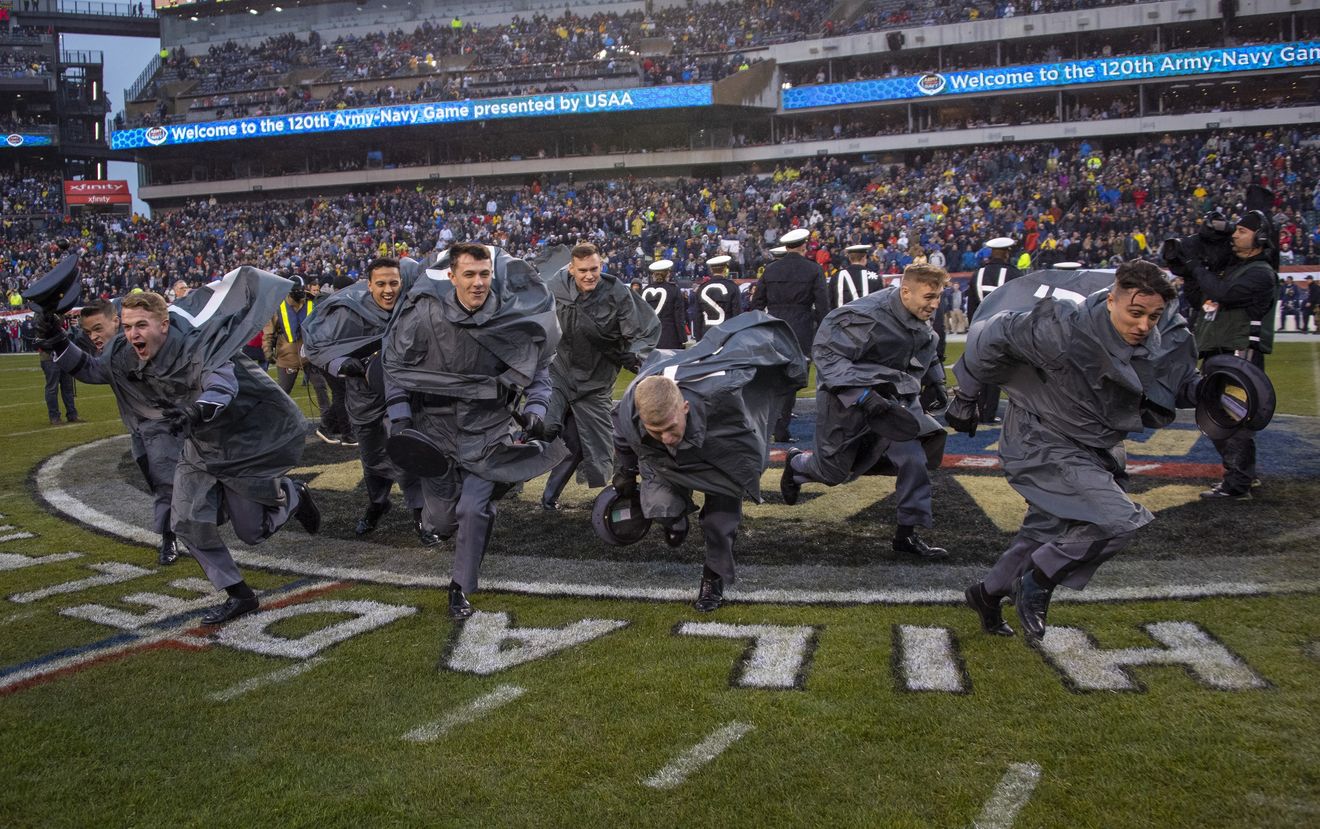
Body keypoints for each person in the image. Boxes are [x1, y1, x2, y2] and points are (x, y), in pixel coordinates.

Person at [41, 272, 321, 625]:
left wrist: (196, 410)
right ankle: (240, 595)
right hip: (200, 442)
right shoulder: (126, 351)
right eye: (127, 326)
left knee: (251, 532)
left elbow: (221, 384)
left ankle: (293, 495)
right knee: (186, 520)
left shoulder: (198, 344)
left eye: (141, 325)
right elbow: (95, 371)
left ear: (164, 323)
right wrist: (58, 343)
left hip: (244, 437)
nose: (132, 335)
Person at [951, 261, 1200, 642]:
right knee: (1116, 520)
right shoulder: (1061, 328)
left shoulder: (1164, 329)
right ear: (1112, 299)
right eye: (1135, 313)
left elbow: (1171, 381)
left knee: (1043, 531)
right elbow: (990, 335)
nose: (1144, 325)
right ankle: (1037, 580)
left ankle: (986, 594)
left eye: (1153, 315)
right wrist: (968, 394)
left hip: (1093, 443)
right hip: (1040, 438)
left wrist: (1206, 392)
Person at [382, 243, 567, 620]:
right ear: (452, 277)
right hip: (435, 434)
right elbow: (395, 369)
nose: (478, 282)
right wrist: (400, 417)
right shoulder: (424, 316)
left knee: (472, 508)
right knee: (441, 522)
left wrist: (534, 409)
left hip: (489, 431)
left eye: (484, 274)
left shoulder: (511, 316)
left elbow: (540, 371)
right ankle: (476, 514)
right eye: (469, 274)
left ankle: (460, 587)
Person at [612, 312, 807, 611]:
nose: (665, 435)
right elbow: (622, 433)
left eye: (669, 427)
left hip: (717, 448)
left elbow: (754, 347)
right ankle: (674, 516)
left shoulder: (724, 399)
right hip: (663, 460)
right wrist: (624, 468)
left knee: (720, 520)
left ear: (685, 408)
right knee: (664, 508)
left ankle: (712, 578)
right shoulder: (631, 408)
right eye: (656, 429)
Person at [781, 263, 952, 559]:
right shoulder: (864, 315)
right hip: (846, 397)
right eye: (929, 297)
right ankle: (797, 464)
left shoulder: (918, 310)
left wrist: (936, 380)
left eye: (938, 297)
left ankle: (906, 535)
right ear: (906, 291)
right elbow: (827, 355)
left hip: (894, 398)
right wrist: (861, 395)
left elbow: (926, 342)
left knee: (914, 460)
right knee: (833, 472)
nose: (935, 304)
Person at [302, 257, 439, 545]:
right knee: (371, 459)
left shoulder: (410, 308)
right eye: (381, 283)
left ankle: (420, 513)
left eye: (393, 283)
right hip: (363, 398)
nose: (388, 290)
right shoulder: (349, 313)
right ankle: (378, 503)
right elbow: (318, 348)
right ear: (369, 284)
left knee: (403, 450)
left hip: (403, 398)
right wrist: (344, 365)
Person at [540, 242, 660, 511]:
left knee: (592, 446)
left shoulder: (616, 291)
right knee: (543, 426)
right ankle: (503, 475)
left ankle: (555, 498)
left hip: (595, 382)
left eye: (594, 269)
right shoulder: (552, 288)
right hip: (558, 372)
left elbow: (645, 328)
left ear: (601, 266)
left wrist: (634, 353)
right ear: (572, 269)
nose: (589, 275)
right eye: (582, 270)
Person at [78, 299, 185, 565]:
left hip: (175, 424)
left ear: (114, 321)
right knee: (159, 482)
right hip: (140, 429)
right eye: (89, 332)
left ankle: (171, 535)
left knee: (181, 482)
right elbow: (92, 368)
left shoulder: (146, 344)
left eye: (98, 329)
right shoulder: (114, 354)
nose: (94, 337)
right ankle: (170, 534)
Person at [1185, 210, 1279, 500]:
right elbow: (1199, 298)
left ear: (1260, 238)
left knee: (1231, 417)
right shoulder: (1234, 268)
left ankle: (1238, 483)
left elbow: (1222, 293)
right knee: (1219, 414)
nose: (1234, 235)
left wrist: (1196, 265)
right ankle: (1242, 476)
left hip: (1239, 352)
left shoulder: (1260, 272)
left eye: (1242, 231)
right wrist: (1192, 270)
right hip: (1221, 348)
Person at [751, 228, 828, 442]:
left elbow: (757, 304)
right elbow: (823, 306)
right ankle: (782, 428)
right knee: (793, 379)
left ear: (786, 247)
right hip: (801, 328)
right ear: (804, 246)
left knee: (773, 377)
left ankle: (767, 425)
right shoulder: (813, 270)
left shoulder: (770, 270)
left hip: (775, 328)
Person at [264, 275, 334, 443]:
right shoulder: (278, 307)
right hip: (287, 356)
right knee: (283, 392)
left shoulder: (311, 301)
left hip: (310, 355)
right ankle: (278, 426)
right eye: (297, 292)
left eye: (302, 291)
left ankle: (328, 424)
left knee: (321, 388)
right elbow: (269, 331)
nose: (300, 295)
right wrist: (268, 352)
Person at [968, 237, 1021, 424]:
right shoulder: (1014, 274)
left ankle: (981, 410)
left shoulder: (978, 274)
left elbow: (972, 306)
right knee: (999, 371)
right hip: (1003, 330)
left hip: (980, 329)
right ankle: (990, 412)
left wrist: (973, 330)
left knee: (981, 371)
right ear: (1007, 253)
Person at [690, 254, 743, 341]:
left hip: (706, 333)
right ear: (726, 269)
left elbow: (697, 315)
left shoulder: (702, 287)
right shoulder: (732, 287)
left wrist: (698, 338)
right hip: (727, 334)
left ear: (711, 269)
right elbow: (737, 314)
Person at [38, 314, 80, 425]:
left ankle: (72, 414)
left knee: (68, 386)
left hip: (64, 354)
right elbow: (41, 338)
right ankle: (54, 417)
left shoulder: (62, 314)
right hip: (49, 355)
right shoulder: (42, 315)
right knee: (52, 388)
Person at [641, 259, 687, 349]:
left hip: (648, 337)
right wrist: (683, 338)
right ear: (668, 273)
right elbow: (679, 317)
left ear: (653, 274)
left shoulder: (644, 290)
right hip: (669, 336)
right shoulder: (674, 290)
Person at [829, 244, 883, 309]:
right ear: (864, 258)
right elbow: (880, 303)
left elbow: (830, 302)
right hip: (867, 318)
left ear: (849, 258)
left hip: (841, 317)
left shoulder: (836, 277)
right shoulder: (875, 277)